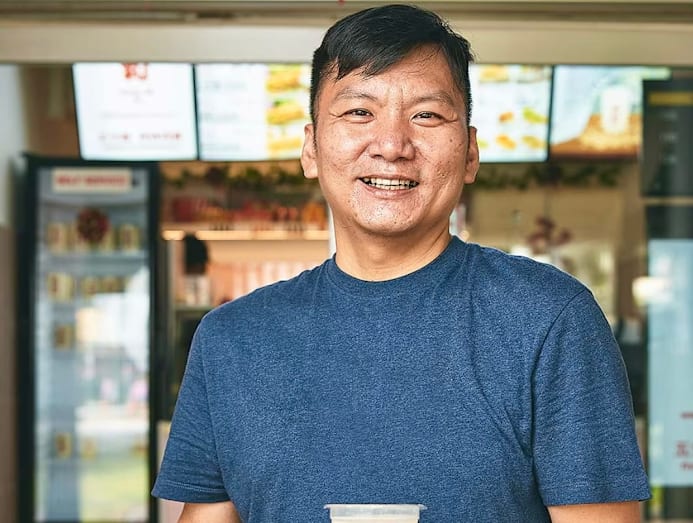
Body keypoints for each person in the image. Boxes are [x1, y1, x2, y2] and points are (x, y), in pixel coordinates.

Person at [153, 4, 650, 522]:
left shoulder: (549, 321)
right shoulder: (233, 340)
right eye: (358, 112)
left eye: (426, 115)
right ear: (311, 148)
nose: (391, 145)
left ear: (470, 153)